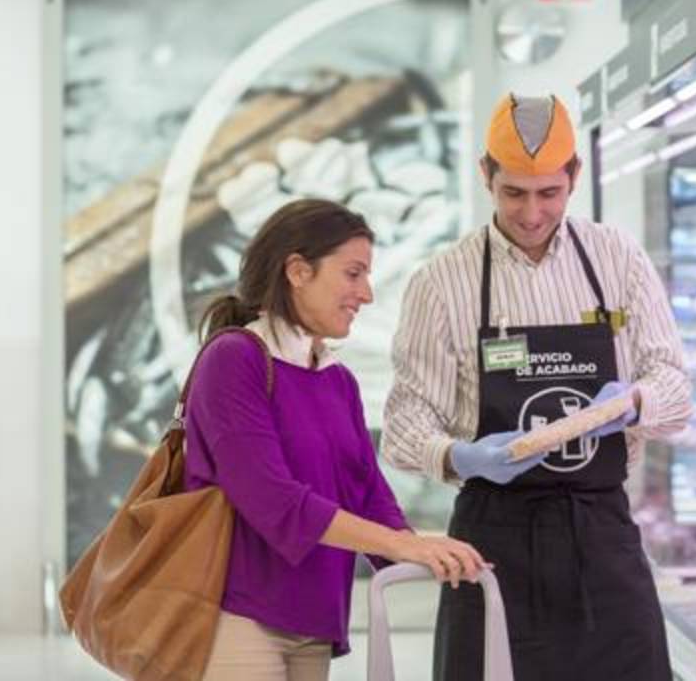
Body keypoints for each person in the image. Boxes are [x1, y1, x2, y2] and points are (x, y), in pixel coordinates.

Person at [382, 93, 692, 680]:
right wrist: (456, 454)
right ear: (485, 176)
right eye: (513, 193)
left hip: (600, 531)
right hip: (492, 539)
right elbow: (404, 423)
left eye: (549, 192)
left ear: (574, 176)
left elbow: (673, 383)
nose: (530, 213)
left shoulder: (615, 257)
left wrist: (632, 406)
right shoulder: (443, 281)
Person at [184, 198, 487, 681]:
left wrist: (423, 549)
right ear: (298, 271)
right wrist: (401, 545)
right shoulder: (234, 359)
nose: (365, 293)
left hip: (316, 616)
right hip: (239, 611)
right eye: (353, 274)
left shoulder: (335, 378)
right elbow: (272, 499)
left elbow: (365, 490)